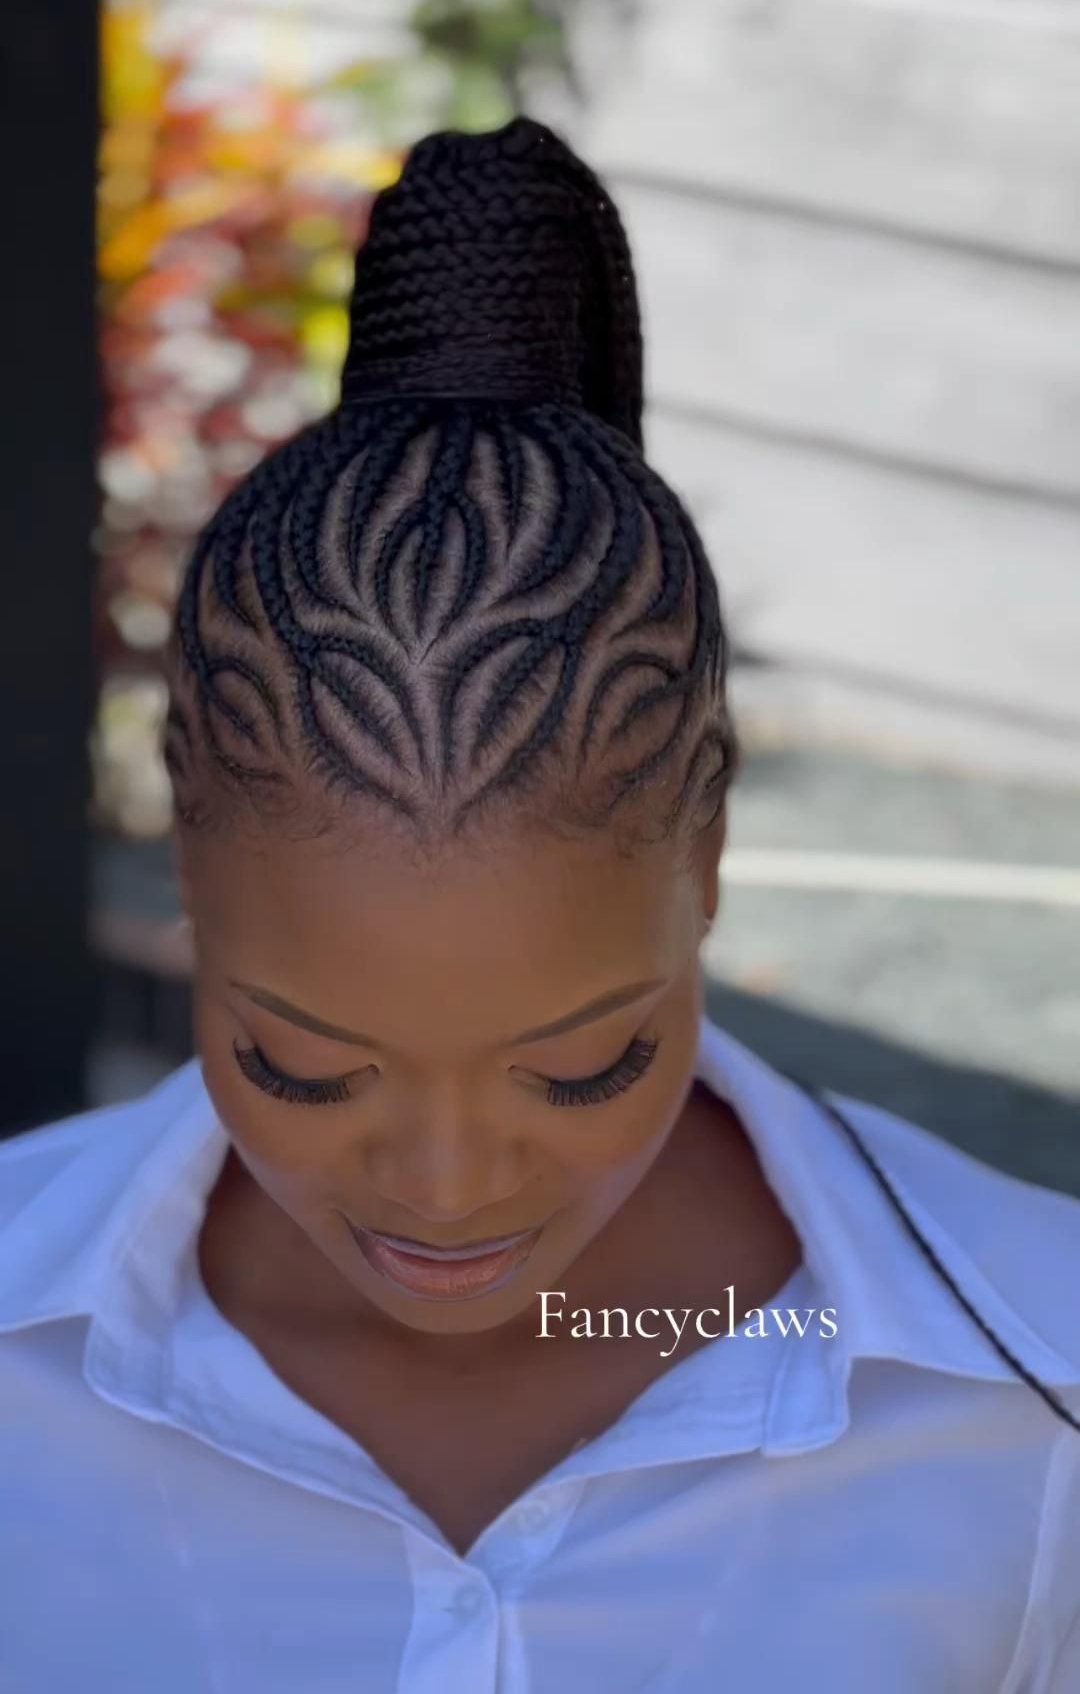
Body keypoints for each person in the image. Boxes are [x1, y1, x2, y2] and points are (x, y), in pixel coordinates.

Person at [2, 119, 1079, 1692]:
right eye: (304, 1066)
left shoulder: (1035, 1382)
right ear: (186, 872)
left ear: (709, 859)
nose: (446, 1191)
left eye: (582, 1065)